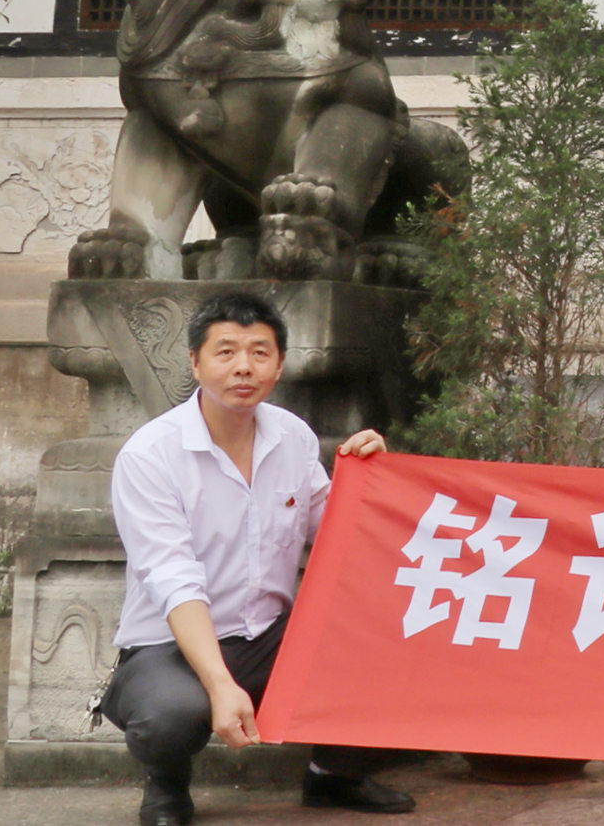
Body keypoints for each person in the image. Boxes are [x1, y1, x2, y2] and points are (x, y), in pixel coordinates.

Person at [97, 292, 408, 826]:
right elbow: (173, 579)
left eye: (259, 352)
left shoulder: (293, 437)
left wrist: (372, 476)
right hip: (170, 646)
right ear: (195, 362)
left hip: (268, 636)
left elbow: (339, 532)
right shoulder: (149, 456)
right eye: (226, 352)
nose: (244, 367)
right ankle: (166, 782)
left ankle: (333, 776)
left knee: (390, 645)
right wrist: (219, 684)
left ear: (279, 364)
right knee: (172, 714)